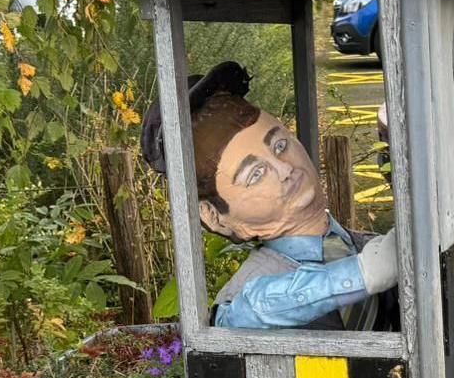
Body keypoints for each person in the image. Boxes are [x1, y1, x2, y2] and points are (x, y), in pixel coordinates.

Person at [141, 61, 397, 330]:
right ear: (215, 217)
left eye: (280, 145)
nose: (286, 169)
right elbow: (253, 307)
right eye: (255, 173)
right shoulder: (248, 300)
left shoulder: (368, 246)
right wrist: (367, 272)